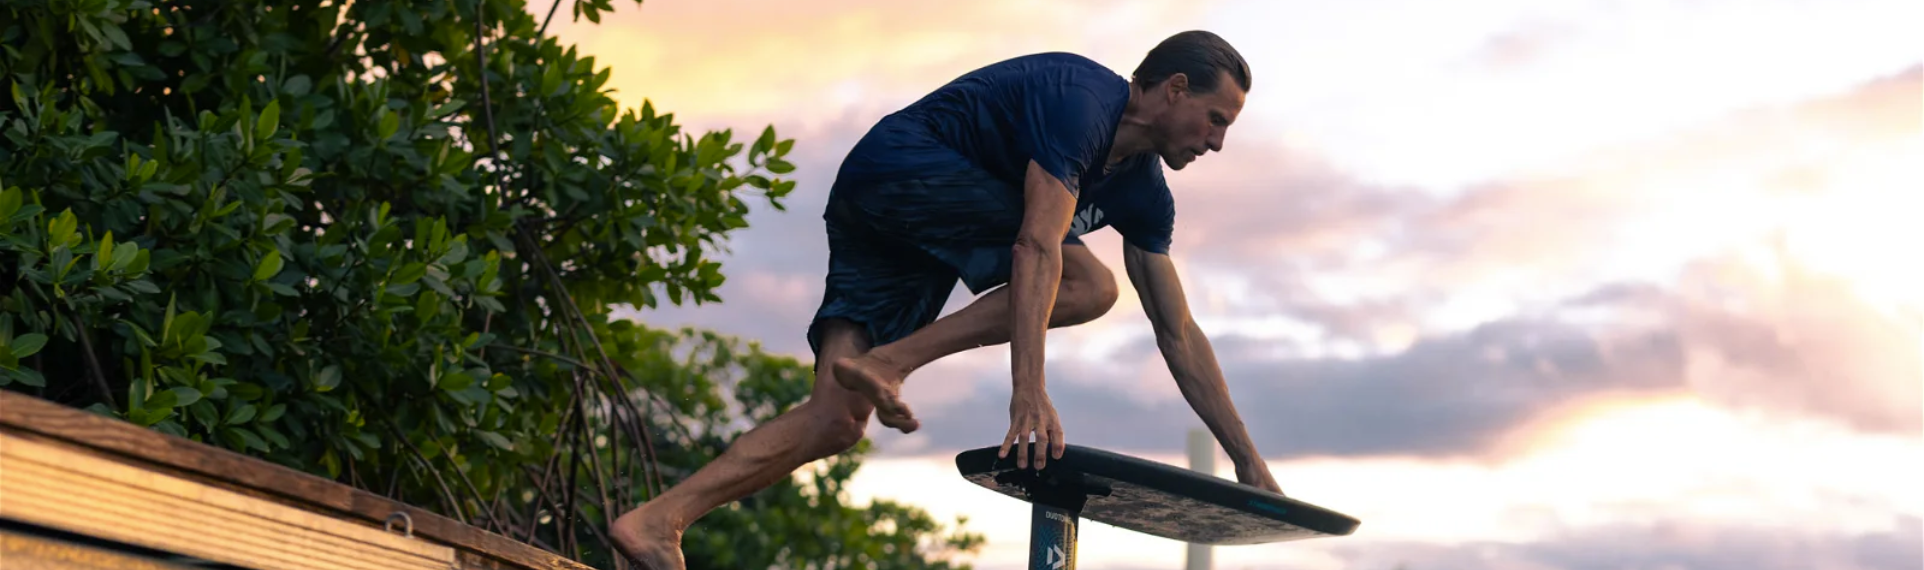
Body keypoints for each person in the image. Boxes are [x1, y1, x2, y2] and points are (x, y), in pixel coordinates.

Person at [613, 30, 1279, 569]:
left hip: (899, 232)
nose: (1217, 142)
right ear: (1175, 89)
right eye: (1215, 120)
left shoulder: (1144, 195)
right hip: (902, 169)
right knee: (1089, 284)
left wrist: (1248, 461)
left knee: (835, 422)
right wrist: (1029, 392)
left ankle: (658, 523)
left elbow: (1178, 332)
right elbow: (1035, 248)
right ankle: (891, 361)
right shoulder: (1083, 100)